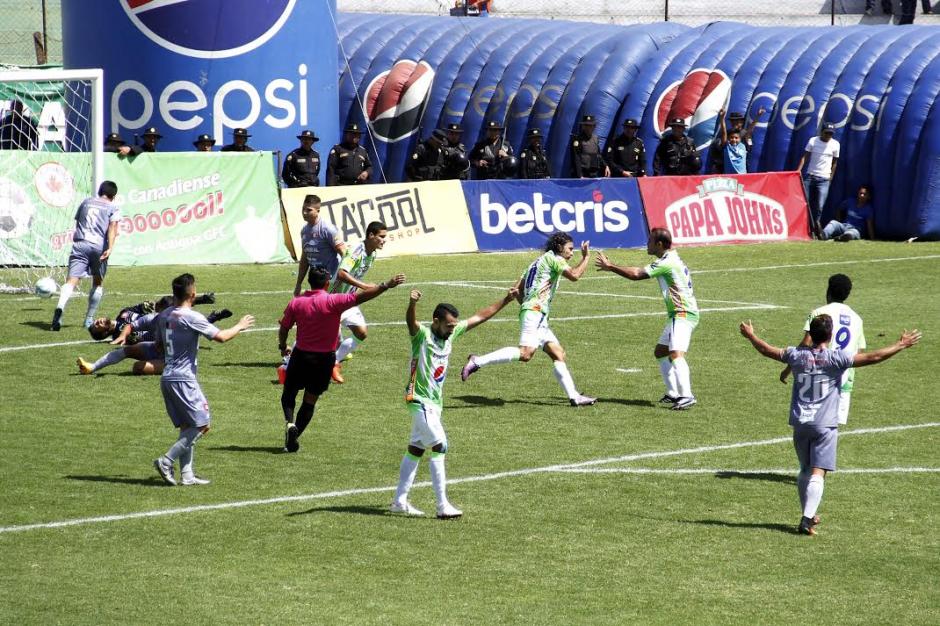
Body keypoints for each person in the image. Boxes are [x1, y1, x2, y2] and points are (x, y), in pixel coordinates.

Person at [740, 315, 920, 535]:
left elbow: (767, 350)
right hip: (824, 425)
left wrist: (751, 336)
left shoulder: (796, 355)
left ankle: (808, 513)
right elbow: (873, 357)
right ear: (831, 335)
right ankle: (806, 519)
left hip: (800, 423)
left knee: (804, 470)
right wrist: (900, 344)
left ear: (810, 335)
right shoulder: (836, 358)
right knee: (818, 472)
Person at [391, 285, 518, 518]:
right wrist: (412, 304)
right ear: (436, 321)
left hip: (434, 404)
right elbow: (411, 323)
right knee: (440, 445)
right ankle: (442, 506)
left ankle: (399, 501)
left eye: (453, 326)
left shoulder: (451, 333)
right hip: (419, 399)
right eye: (448, 325)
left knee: (416, 448)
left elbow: (479, 316)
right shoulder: (423, 336)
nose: (452, 330)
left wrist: (506, 301)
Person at [460, 232, 597, 407]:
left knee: (558, 353)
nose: (572, 253)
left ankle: (574, 396)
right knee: (525, 353)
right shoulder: (555, 259)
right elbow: (575, 275)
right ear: (559, 247)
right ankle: (477, 361)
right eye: (570, 249)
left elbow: (516, 290)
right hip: (535, 312)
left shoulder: (535, 263)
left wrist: (526, 306)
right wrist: (586, 257)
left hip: (535, 314)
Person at [279, 265, 405, 453]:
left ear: (309, 281)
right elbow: (364, 296)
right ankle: (295, 435)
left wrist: (282, 346)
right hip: (324, 360)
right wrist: (386, 285)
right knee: (310, 400)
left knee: (288, 394)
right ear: (327, 283)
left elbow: (284, 327)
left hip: (301, 356)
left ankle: (290, 424)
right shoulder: (334, 301)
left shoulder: (296, 303)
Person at [153, 273, 255, 486]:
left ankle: (187, 475)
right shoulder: (192, 317)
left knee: (187, 425)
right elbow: (221, 337)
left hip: (167, 376)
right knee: (202, 425)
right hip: (184, 378)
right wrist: (239, 325)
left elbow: (158, 346)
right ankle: (166, 460)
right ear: (193, 293)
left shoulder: (164, 315)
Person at [594, 228, 699, 410]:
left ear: (659, 244)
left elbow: (636, 274)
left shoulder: (668, 262)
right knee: (660, 352)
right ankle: (673, 392)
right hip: (679, 314)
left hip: (682, 313)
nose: (647, 244)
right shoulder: (671, 259)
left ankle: (687, 395)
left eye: (650, 241)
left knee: (676, 354)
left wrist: (611, 267)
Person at [780, 274, 865, 426]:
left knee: (811, 426)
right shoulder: (857, 319)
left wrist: (788, 368)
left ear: (828, 291)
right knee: (831, 429)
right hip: (844, 382)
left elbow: (806, 344)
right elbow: (859, 352)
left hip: (819, 379)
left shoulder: (819, 313)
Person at [79, 297, 231, 376]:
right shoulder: (153, 318)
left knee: (137, 368)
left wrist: (240, 326)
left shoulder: (182, 320)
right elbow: (131, 326)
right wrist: (123, 336)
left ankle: (170, 367)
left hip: (173, 360)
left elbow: (220, 337)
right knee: (125, 351)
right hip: (156, 349)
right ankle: (91, 367)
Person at [51, 181, 121, 331]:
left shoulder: (86, 202)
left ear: (99, 191)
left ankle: (59, 309)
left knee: (71, 281)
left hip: (80, 244)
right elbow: (113, 227)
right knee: (98, 282)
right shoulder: (112, 207)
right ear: (113, 196)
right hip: (98, 247)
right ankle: (88, 320)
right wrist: (110, 248)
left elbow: (78, 222)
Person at [329, 221, 392, 384]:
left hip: (348, 301)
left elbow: (354, 277)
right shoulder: (357, 249)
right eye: (382, 237)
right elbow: (342, 274)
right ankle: (289, 362)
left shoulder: (372, 255)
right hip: (333, 300)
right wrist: (364, 286)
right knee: (324, 340)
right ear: (371, 235)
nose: (384, 240)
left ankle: (333, 363)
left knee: (361, 333)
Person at [293, 194, 347, 296]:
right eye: (303, 209)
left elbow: (344, 253)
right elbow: (305, 258)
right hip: (316, 281)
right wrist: (298, 284)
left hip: (331, 282)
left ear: (318, 211)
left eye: (309, 210)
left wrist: (342, 277)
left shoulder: (327, 229)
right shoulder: (304, 231)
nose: (304, 212)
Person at [797, 123, 840, 239]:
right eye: (826, 133)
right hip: (810, 176)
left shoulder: (835, 145)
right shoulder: (813, 141)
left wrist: (830, 177)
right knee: (805, 202)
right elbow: (805, 157)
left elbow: (835, 162)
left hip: (824, 179)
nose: (828, 136)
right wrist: (798, 171)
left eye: (830, 134)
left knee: (820, 206)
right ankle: (806, 228)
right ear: (822, 131)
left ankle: (816, 223)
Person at [707, 109, 764, 174]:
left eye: (737, 121)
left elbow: (750, 129)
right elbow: (723, 133)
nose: (734, 123)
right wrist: (722, 118)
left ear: (741, 122)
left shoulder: (744, 134)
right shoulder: (728, 135)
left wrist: (758, 116)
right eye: (733, 121)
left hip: (740, 168)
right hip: (728, 168)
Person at [570, 114, 609, 178]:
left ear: (594, 126)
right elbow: (576, 158)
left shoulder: (595, 139)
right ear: (583, 126)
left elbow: (598, 155)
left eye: (590, 125)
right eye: (586, 125)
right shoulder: (577, 140)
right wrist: (580, 175)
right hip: (583, 174)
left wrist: (606, 166)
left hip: (593, 174)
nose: (588, 127)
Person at [716, 109, 747, 175]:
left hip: (742, 175)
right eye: (732, 138)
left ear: (740, 139)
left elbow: (750, 129)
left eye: (736, 138)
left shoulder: (742, 146)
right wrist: (722, 118)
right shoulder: (727, 146)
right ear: (728, 139)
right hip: (729, 176)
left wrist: (757, 117)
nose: (734, 139)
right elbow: (724, 132)